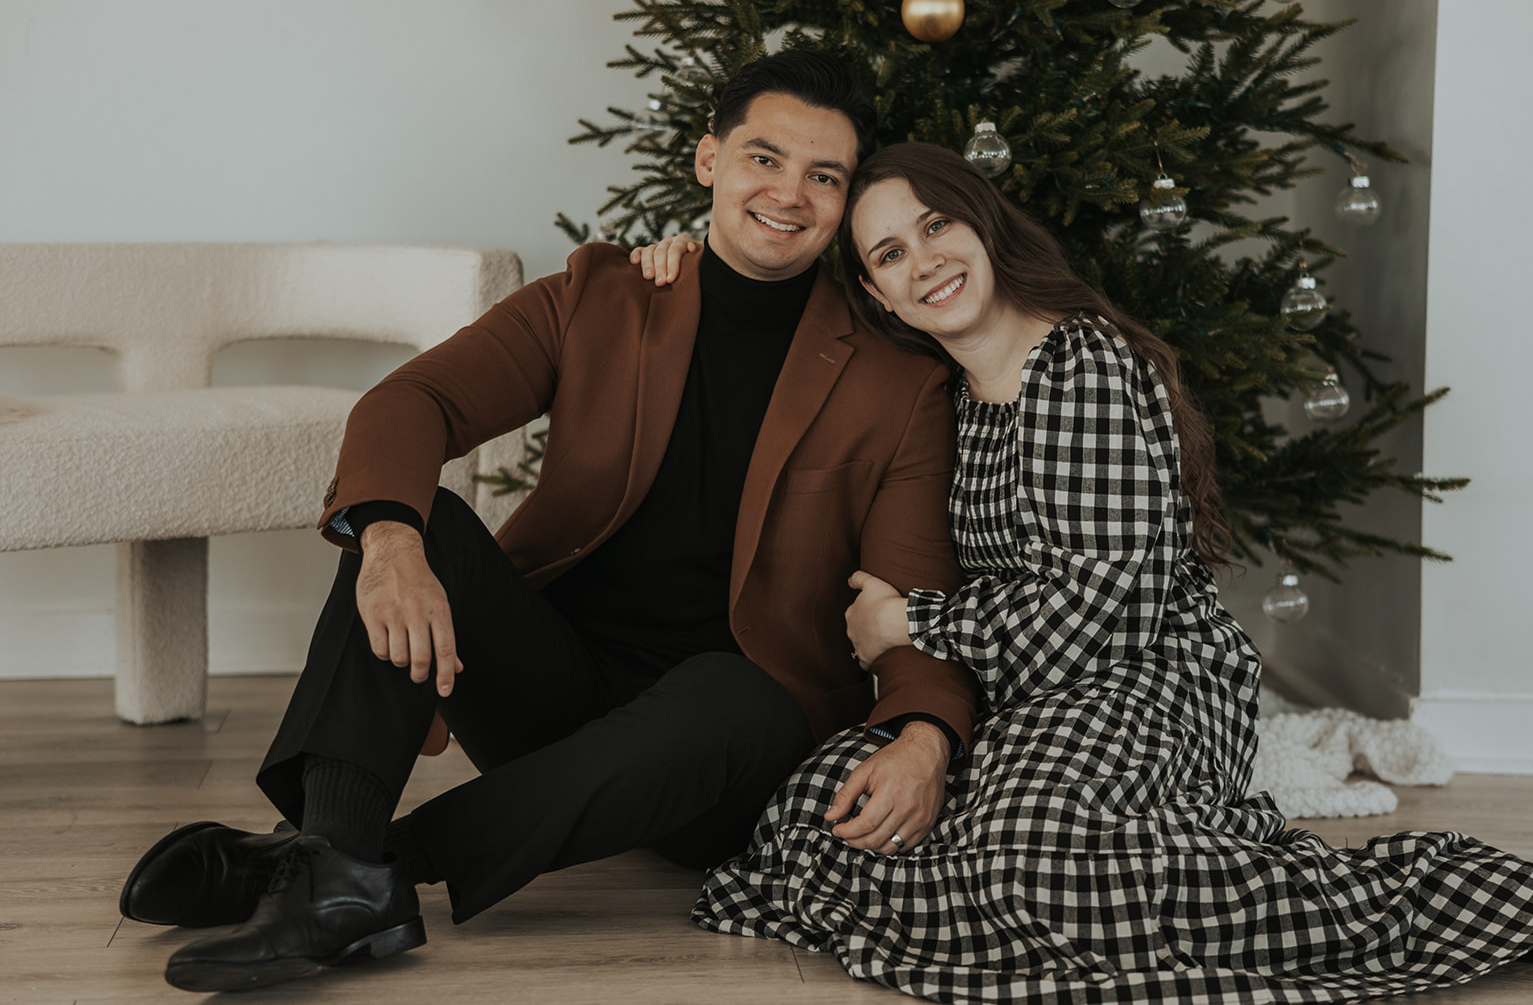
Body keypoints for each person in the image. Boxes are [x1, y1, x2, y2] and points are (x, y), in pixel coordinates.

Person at [639, 142, 1533, 1002]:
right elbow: (774, 324)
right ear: (877, 294)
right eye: (890, 254)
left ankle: (1476, 899)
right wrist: (683, 266)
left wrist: (910, 626)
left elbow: (1107, 603)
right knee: (813, 823)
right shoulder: (946, 397)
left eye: (937, 225)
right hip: (1019, 687)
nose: (924, 260)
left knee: (1030, 864)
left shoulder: (1081, 366)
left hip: (1145, 669)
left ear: (983, 222)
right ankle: (1026, 880)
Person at [117, 51, 982, 994]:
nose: (789, 194)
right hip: (554, 690)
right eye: (763, 160)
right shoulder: (604, 296)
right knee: (421, 518)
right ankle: (334, 860)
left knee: (734, 694)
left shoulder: (898, 380)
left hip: (724, 751)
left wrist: (926, 734)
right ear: (708, 162)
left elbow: (912, 594)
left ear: (846, 203)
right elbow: (414, 400)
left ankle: (341, 866)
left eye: (825, 177)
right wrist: (391, 542)